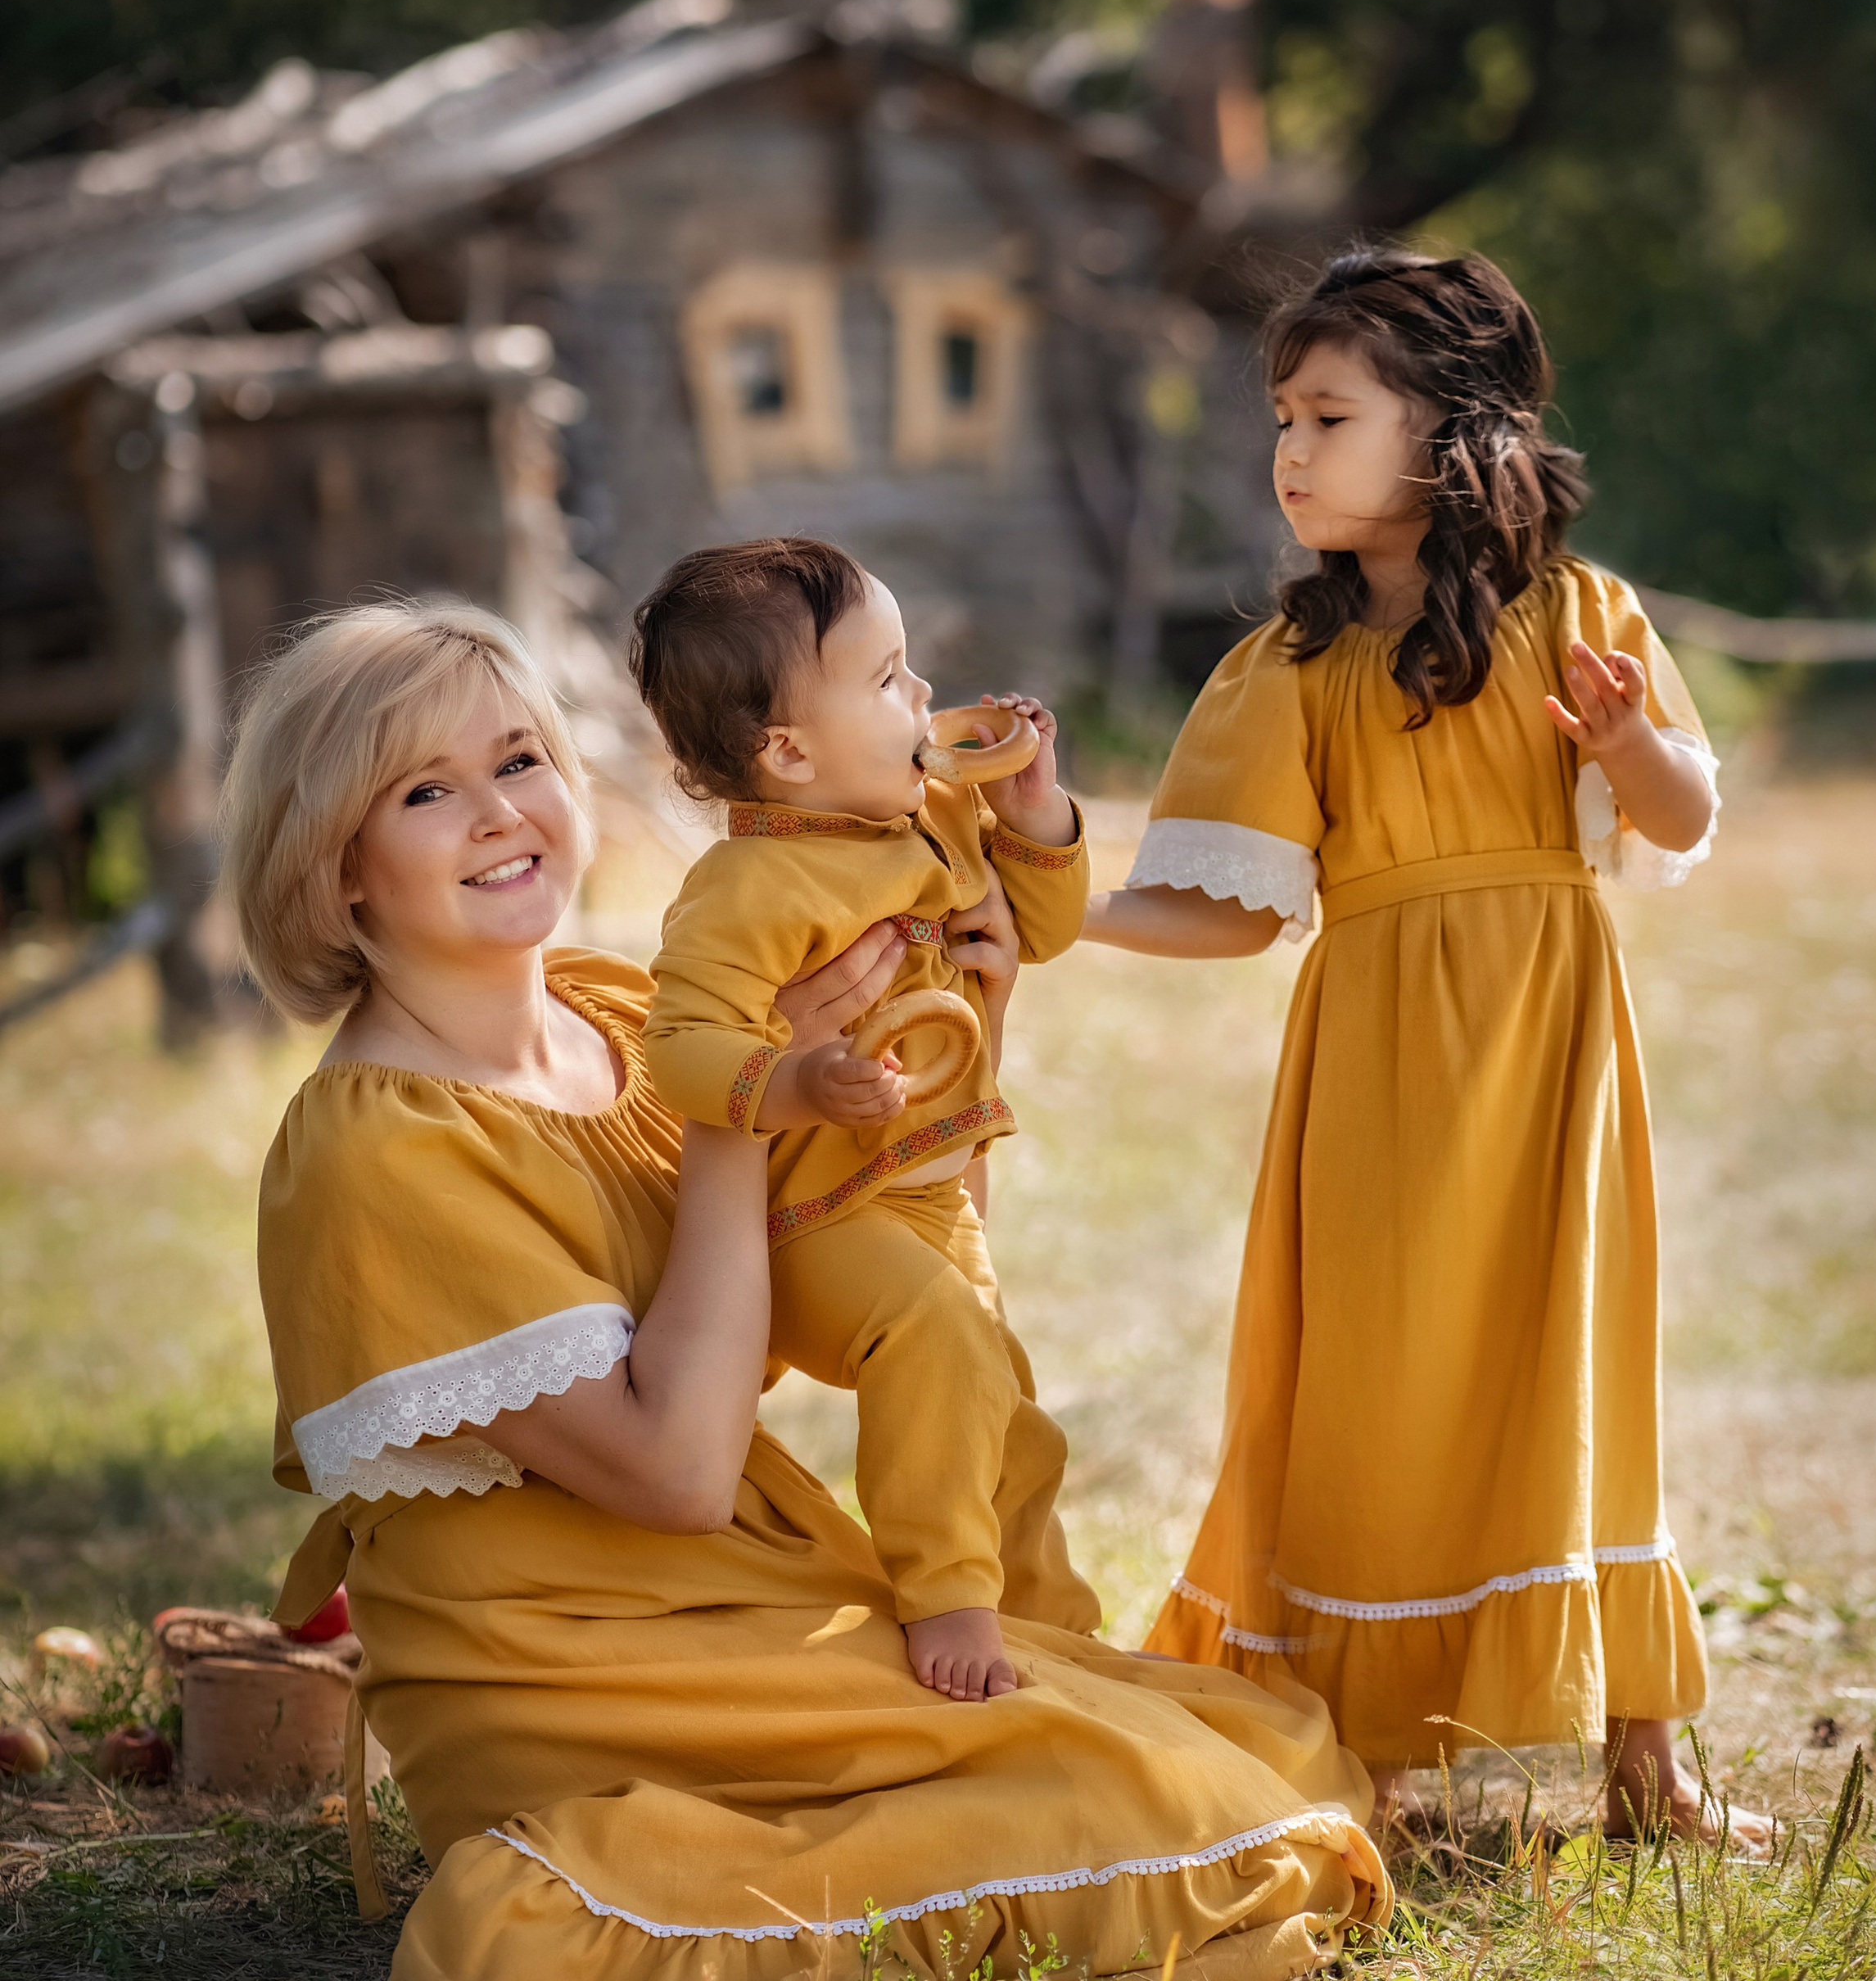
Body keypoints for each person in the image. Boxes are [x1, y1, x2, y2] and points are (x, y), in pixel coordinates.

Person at [222, 599, 1389, 1977]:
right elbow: (677, 1469)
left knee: (1247, 1750)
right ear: (338, 868)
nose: (498, 814)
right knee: (1182, 1812)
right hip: (565, 1668)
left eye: (519, 760)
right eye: (427, 792)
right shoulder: (378, 1148)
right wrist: (744, 1105)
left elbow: (896, 1257)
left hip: (745, 1595)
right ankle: (573, 1893)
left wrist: (970, 1026)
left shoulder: (616, 1014)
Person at [1084, 246, 1770, 1848]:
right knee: (1371, 1385)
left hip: (1550, 1058)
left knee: (1572, 1367)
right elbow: (1228, 912)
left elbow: (1677, 822)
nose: (1290, 450)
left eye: (1327, 415)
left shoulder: (1578, 617)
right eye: (1282, 419)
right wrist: (1063, 910)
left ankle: (1645, 1763)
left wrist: (1627, 743)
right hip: (1380, 1072)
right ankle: (1368, 1765)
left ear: (1452, 430)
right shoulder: (1292, 664)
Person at [628, 539, 1092, 1705]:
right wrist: (796, 1083)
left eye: (910, 666)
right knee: (939, 1334)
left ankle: (1060, 1634)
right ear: (788, 752)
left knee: (1003, 1416)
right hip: (817, 1220)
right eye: (887, 680)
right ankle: (948, 1596)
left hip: (932, 1200)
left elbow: (1039, 928)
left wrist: (1035, 816)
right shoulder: (746, 892)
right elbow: (679, 1047)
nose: (923, 694)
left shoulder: (938, 812)